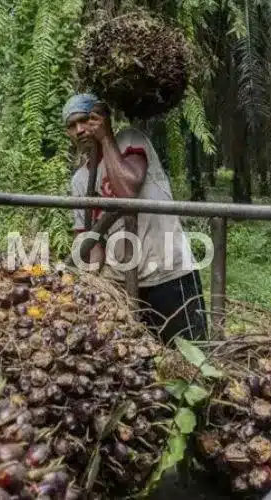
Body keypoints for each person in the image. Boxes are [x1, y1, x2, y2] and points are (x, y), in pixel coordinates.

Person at [62, 92, 208, 343]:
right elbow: (91, 243)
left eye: (85, 120)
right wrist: (86, 282)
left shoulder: (130, 140)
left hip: (167, 270)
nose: (79, 130)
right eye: (71, 126)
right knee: (138, 361)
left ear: (100, 119)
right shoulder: (80, 181)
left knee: (190, 355)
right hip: (121, 282)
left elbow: (127, 190)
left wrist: (106, 138)